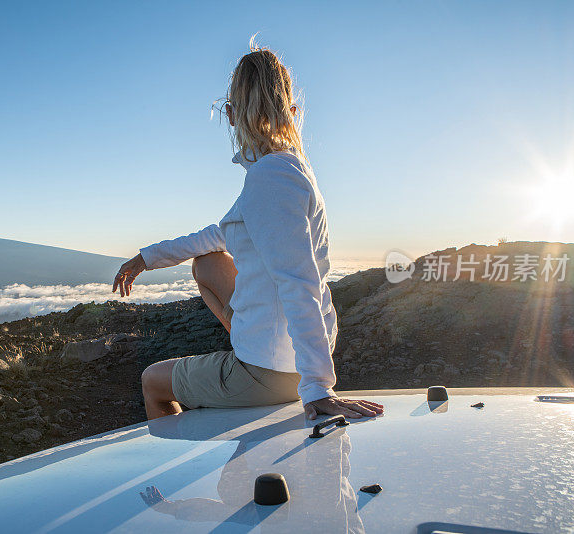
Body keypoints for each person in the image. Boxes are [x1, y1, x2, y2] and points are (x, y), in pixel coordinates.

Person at [113, 42, 384, 422]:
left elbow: (298, 281)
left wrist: (318, 387)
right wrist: (148, 257)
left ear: (230, 114)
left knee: (152, 381)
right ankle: (250, 345)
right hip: (291, 356)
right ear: (292, 112)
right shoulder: (287, 171)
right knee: (207, 264)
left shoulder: (269, 180)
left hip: (276, 371)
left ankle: (180, 464)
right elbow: (215, 238)